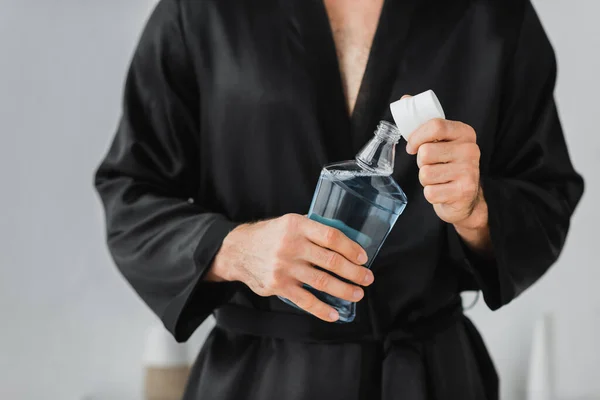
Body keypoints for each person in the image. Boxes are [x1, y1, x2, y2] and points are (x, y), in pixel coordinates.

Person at [94, 0, 584, 398]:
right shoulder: (201, 12)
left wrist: (476, 210)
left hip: (431, 375)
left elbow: (545, 195)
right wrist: (235, 249)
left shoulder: (493, 14)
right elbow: (131, 192)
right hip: (259, 378)